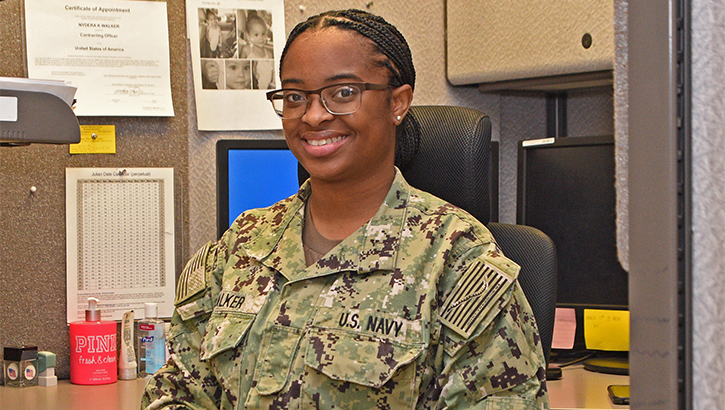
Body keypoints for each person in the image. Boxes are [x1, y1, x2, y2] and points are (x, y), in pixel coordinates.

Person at [142, 9, 549, 410]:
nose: (314, 116)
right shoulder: (242, 243)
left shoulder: (456, 260)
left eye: (342, 93)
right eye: (296, 97)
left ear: (398, 103)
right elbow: (173, 392)